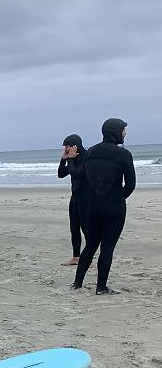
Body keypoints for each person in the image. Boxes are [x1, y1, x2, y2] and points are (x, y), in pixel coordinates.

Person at [72, 118, 135, 296]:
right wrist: (117, 199)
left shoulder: (90, 152)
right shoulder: (124, 154)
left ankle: (77, 284)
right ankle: (101, 287)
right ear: (116, 132)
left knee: (90, 245)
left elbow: (81, 177)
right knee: (107, 248)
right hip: (113, 208)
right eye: (123, 130)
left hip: (91, 207)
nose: (125, 133)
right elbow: (130, 185)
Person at [57, 134, 87, 266]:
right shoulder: (72, 158)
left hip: (86, 198)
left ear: (75, 146)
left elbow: (76, 173)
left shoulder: (86, 157)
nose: (65, 149)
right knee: (74, 228)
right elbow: (61, 174)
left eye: (67, 147)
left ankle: (88, 258)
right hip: (75, 197)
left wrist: (70, 159)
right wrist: (63, 160)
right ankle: (76, 257)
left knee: (87, 229)